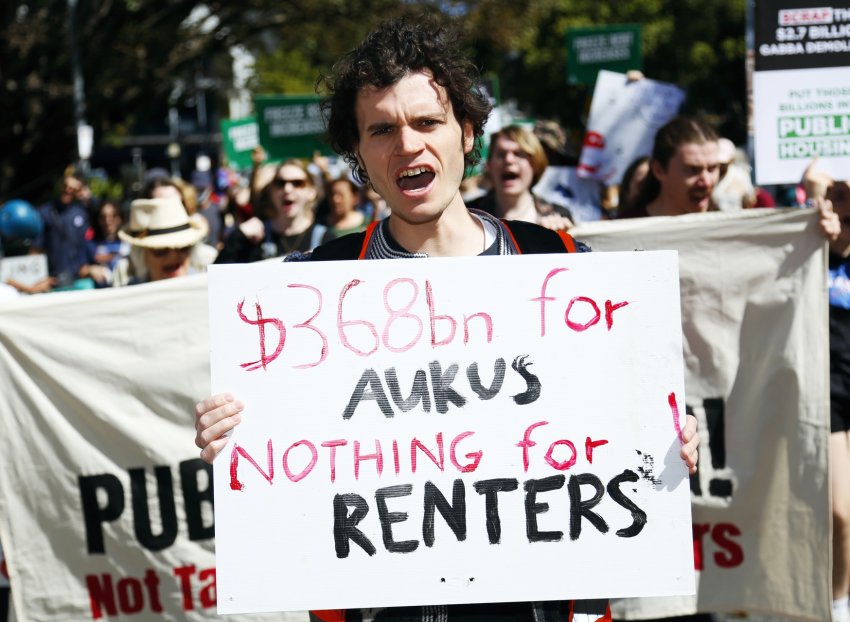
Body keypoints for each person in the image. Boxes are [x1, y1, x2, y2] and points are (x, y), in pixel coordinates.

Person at [194, 15, 700, 622]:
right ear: (357, 152)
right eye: (381, 129)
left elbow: (624, 412)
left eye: (427, 122)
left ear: (467, 132)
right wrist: (235, 433)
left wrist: (668, 433)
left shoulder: (561, 263)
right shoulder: (310, 293)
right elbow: (283, 462)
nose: (407, 145)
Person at [804, 163, 850, 622]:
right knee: (840, 512)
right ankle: (839, 604)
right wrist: (818, 192)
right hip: (829, 392)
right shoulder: (810, 252)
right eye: (842, 200)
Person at [215, 159, 334, 263]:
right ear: (271, 191)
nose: (287, 189)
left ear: (311, 192)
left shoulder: (325, 240)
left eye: (297, 183)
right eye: (280, 183)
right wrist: (238, 236)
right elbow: (219, 278)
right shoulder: (255, 239)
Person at [469, 125, 574, 230]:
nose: (509, 160)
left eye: (518, 154)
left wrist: (559, 239)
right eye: (501, 154)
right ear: (489, 165)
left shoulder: (557, 215)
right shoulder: (469, 214)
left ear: (535, 164)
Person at [618, 117, 720, 219]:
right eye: (692, 170)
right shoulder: (625, 228)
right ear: (659, 170)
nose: (707, 182)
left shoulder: (725, 227)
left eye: (712, 168)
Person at [112, 197, 214, 285]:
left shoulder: (207, 289)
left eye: (182, 247)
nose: (172, 257)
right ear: (141, 255)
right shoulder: (129, 296)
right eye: (160, 250)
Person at [33, 169, 90, 288]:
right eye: (66, 186)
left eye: (73, 189)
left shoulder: (82, 213)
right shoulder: (45, 212)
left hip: (79, 275)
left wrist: (87, 198)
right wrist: (36, 277)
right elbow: (36, 248)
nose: (68, 190)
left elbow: (86, 243)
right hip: (52, 277)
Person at [78, 200, 129, 287]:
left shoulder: (129, 242)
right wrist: (91, 270)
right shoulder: (90, 244)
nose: (108, 221)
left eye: (113, 216)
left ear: (119, 218)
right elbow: (81, 271)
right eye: (103, 217)